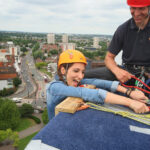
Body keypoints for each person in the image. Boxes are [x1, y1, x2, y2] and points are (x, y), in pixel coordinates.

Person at [46, 49, 149, 121]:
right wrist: (130, 103)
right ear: (63, 70)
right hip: (58, 126)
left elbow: (100, 82)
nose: (80, 76)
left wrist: (129, 92)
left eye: (82, 72)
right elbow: (88, 93)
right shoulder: (54, 87)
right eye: (76, 71)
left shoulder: (72, 81)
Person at [85, 0, 150, 84]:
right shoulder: (123, 29)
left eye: (141, 9)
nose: (137, 13)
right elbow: (109, 58)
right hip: (127, 72)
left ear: (148, 8)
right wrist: (117, 71)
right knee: (85, 75)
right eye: (133, 8)